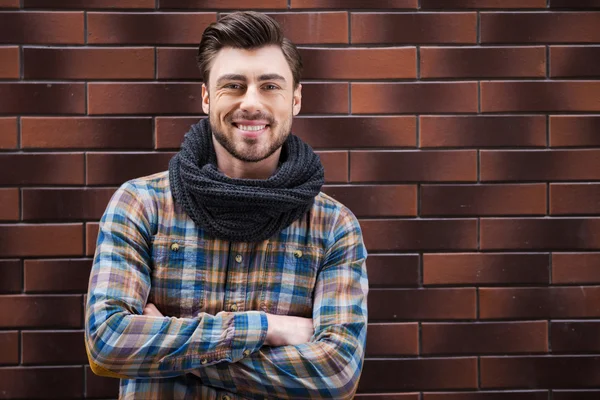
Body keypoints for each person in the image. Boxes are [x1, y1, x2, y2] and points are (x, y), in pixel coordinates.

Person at [84, 11, 368, 400]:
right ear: (205, 97)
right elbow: (107, 341)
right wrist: (266, 329)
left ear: (296, 98)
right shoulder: (141, 205)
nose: (251, 103)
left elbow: (337, 374)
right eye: (233, 85)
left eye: (270, 86)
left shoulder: (333, 226)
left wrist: (169, 350)